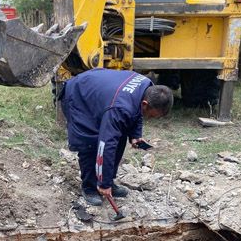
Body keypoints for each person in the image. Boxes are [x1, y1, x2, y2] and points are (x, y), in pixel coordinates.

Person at [59, 69, 173, 206]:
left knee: (119, 134)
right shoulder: (121, 108)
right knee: (90, 141)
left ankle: (108, 181)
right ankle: (90, 187)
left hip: (102, 95)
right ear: (145, 104)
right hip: (78, 96)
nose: (150, 118)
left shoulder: (147, 86)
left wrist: (135, 135)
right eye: (152, 115)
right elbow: (106, 145)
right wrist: (103, 183)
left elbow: (137, 112)